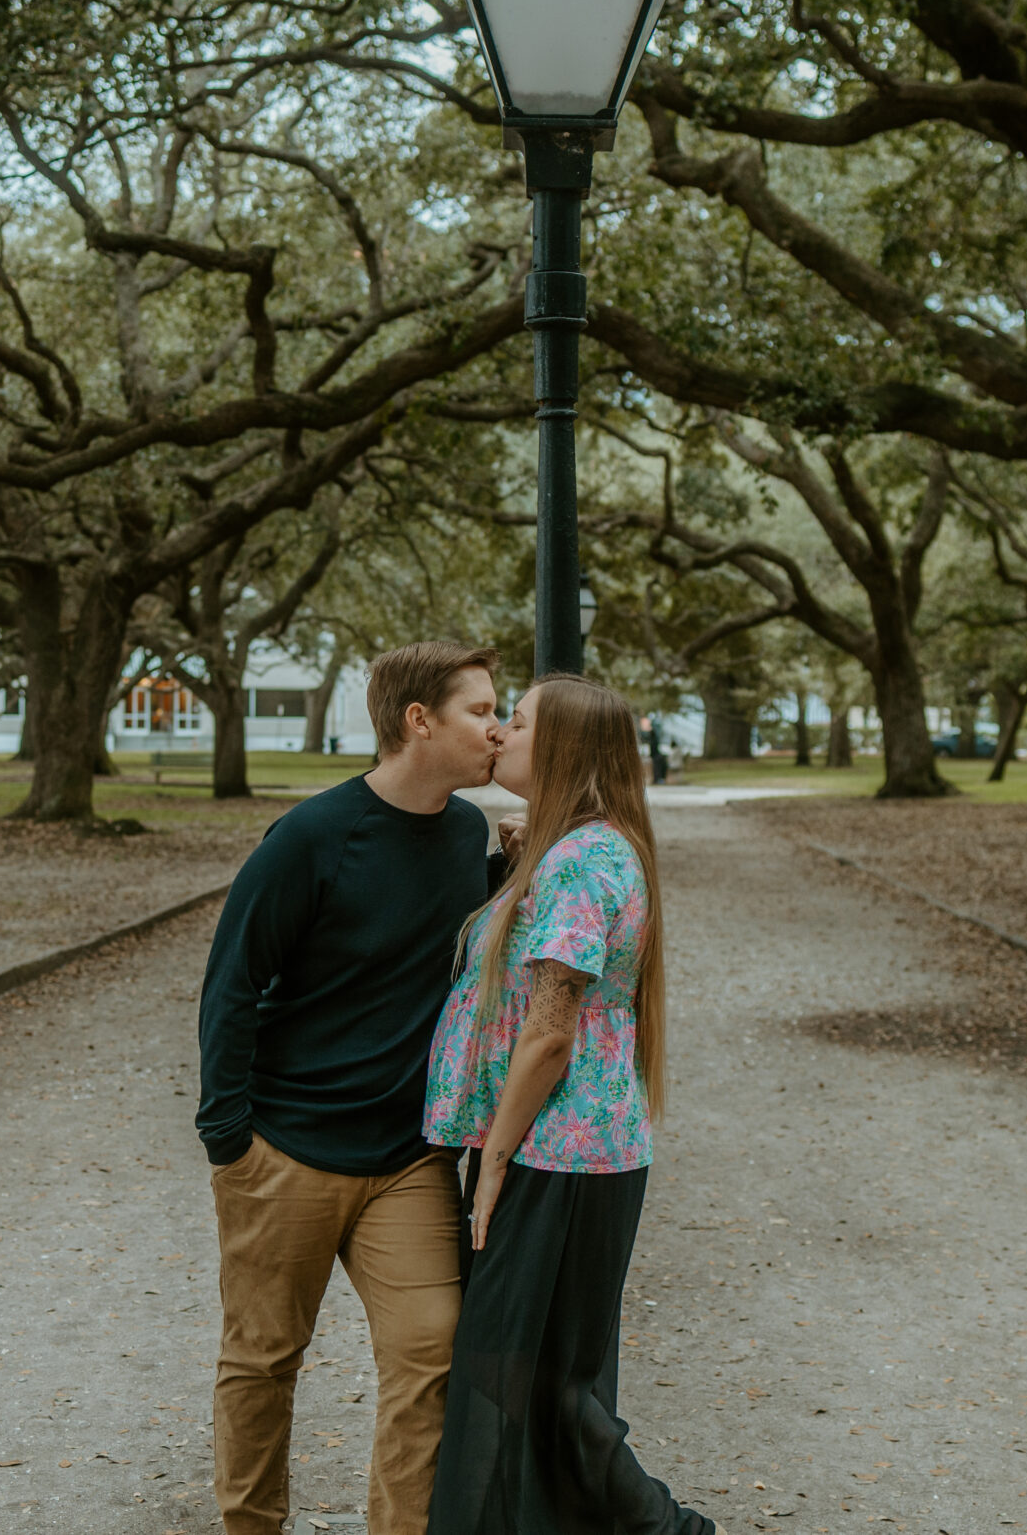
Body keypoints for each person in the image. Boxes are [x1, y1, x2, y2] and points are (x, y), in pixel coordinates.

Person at [195, 641, 507, 1535]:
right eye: (480, 709)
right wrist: (230, 1140)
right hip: (284, 1149)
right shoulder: (310, 837)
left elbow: (446, 938)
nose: (497, 727)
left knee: (432, 1351)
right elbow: (232, 985)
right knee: (261, 1361)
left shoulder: (464, 833)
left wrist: (509, 871)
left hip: (406, 1156)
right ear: (420, 721)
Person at [421, 674, 717, 1535]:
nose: (500, 735)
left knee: (528, 1373)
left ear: (563, 749)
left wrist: (496, 1159)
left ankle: (670, 1528)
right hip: (569, 1149)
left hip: (560, 1153)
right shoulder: (577, 849)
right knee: (532, 1371)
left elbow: (550, 1030)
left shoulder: (587, 860)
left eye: (515, 722)